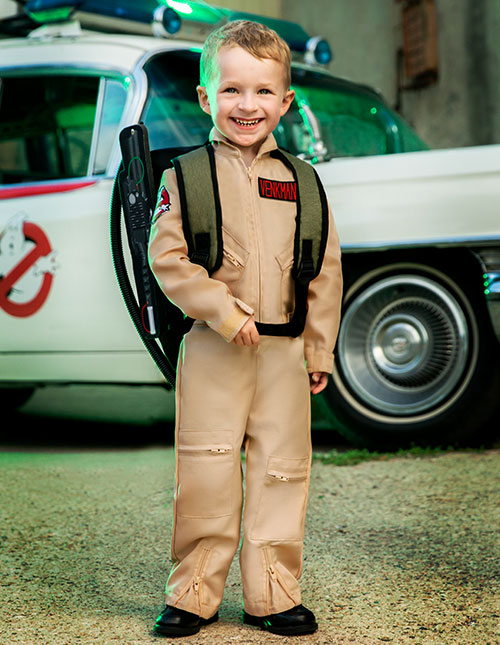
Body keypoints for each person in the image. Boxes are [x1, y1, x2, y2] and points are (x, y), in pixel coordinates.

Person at [148, 19, 342, 638]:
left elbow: (325, 272)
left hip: (284, 353)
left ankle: (274, 593)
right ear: (207, 97)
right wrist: (224, 311)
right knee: (205, 467)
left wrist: (319, 348)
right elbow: (168, 259)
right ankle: (194, 592)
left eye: (262, 92)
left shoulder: (305, 182)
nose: (246, 105)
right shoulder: (185, 176)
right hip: (213, 349)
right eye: (231, 90)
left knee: (282, 470)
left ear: (285, 101)